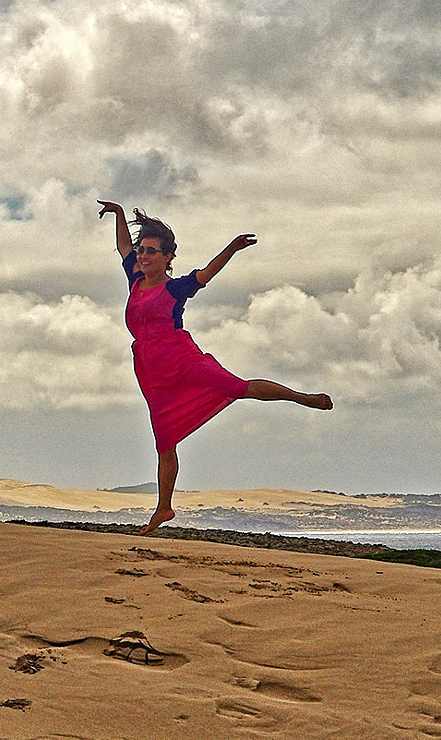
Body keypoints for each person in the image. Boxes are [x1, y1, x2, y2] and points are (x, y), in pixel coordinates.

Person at [98, 200, 331, 535]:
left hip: (182, 359)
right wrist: (119, 213)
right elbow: (122, 246)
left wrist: (232, 248)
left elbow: (206, 272)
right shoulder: (134, 278)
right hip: (151, 371)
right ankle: (164, 507)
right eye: (141, 251)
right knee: (165, 440)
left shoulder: (175, 288)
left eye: (150, 251)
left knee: (239, 388)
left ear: (167, 258)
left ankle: (303, 398)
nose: (142, 256)